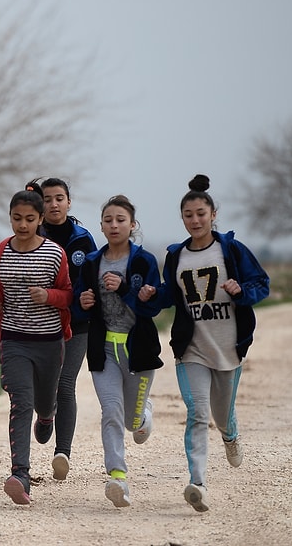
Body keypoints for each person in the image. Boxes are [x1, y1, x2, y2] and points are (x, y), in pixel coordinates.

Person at [139, 174, 269, 513]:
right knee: (197, 413)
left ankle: (230, 434)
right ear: (182, 218)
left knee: (222, 415)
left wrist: (242, 291)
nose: (195, 220)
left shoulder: (232, 250)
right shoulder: (176, 255)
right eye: (188, 215)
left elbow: (261, 284)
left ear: (213, 214)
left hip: (228, 346)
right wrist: (153, 294)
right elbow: (170, 295)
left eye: (200, 213)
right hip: (191, 348)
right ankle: (197, 483)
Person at [75, 194, 163, 508]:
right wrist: (83, 304)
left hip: (138, 350)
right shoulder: (92, 263)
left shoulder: (144, 262)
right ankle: (117, 477)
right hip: (103, 351)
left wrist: (125, 288)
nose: (114, 225)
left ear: (132, 225)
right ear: (101, 226)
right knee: (111, 412)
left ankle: (144, 415)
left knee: (131, 420)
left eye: (120, 220)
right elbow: (80, 302)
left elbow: (153, 307)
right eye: (108, 220)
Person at [0, 189, 72, 505]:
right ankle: (20, 475)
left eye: (30, 219)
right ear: (10, 217)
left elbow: (68, 295)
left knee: (45, 401)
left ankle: (47, 416)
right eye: (17, 218)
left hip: (49, 341)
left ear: (40, 219)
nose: (22, 225)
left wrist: (49, 296)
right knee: (20, 403)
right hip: (14, 339)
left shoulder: (54, 253)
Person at [30, 177, 98, 481]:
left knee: (66, 383)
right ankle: (45, 415)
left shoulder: (83, 239)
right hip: (39, 322)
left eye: (60, 198)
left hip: (77, 324)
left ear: (69, 202)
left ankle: (63, 452)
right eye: (48, 198)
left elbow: (96, 277)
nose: (54, 204)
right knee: (41, 385)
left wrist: (90, 297)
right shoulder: (31, 234)